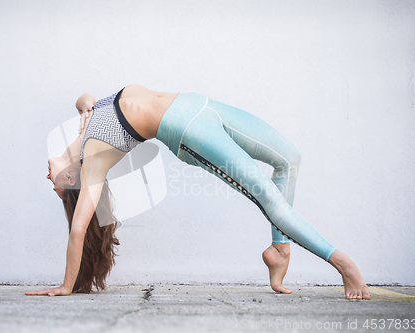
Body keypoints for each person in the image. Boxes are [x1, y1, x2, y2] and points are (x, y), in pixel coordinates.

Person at [25, 84, 371, 300]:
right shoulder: (92, 164)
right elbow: (79, 230)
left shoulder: (84, 125)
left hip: (199, 104)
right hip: (186, 131)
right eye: (58, 190)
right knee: (268, 196)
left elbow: (84, 96)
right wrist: (66, 286)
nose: (48, 181)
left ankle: (279, 251)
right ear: (72, 179)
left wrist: (85, 107)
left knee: (289, 159)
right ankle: (342, 262)